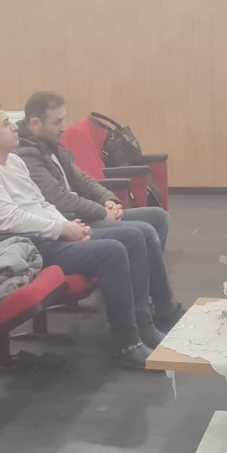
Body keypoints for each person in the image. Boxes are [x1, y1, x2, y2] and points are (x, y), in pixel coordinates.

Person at [0, 103, 157, 369]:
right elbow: (10, 220)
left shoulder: (13, 161)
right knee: (113, 251)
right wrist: (62, 229)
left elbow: (40, 203)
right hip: (25, 248)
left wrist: (68, 225)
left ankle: (144, 325)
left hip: (47, 236)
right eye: (5, 124)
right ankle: (126, 344)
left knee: (133, 237)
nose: (14, 127)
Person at [18, 90, 182, 331]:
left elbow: (83, 179)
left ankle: (154, 303)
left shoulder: (50, 145)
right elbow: (59, 199)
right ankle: (144, 315)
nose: (64, 127)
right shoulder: (26, 155)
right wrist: (102, 212)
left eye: (64, 119)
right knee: (141, 233)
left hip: (81, 215)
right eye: (57, 122)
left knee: (157, 218)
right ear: (35, 124)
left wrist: (108, 200)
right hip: (66, 223)